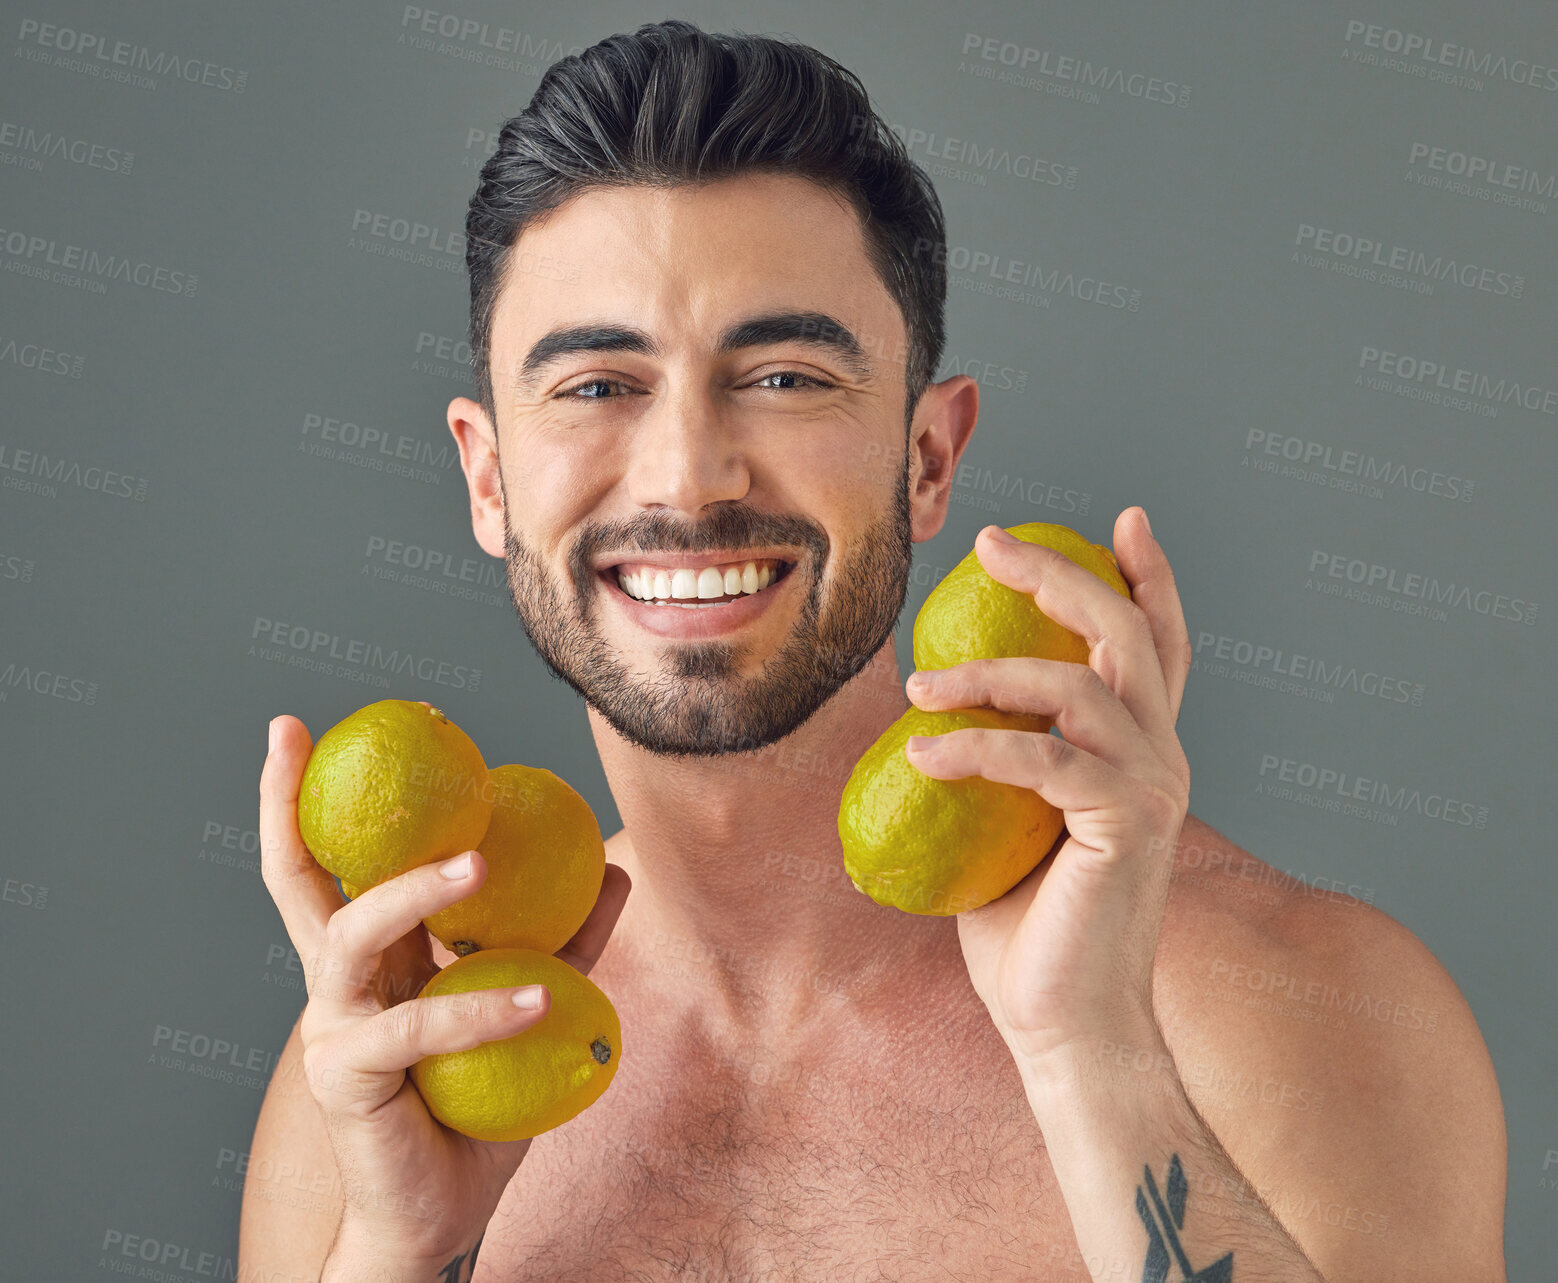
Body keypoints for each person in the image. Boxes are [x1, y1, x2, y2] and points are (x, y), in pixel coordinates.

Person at [241, 19, 1506, 1281]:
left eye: (784, 377)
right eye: (595, 386)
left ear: (927, 459)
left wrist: (1088, 1053)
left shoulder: (1302, 1018)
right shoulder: (389, 1072)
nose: (688, 474)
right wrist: (398, 1251)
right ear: (487, 476)